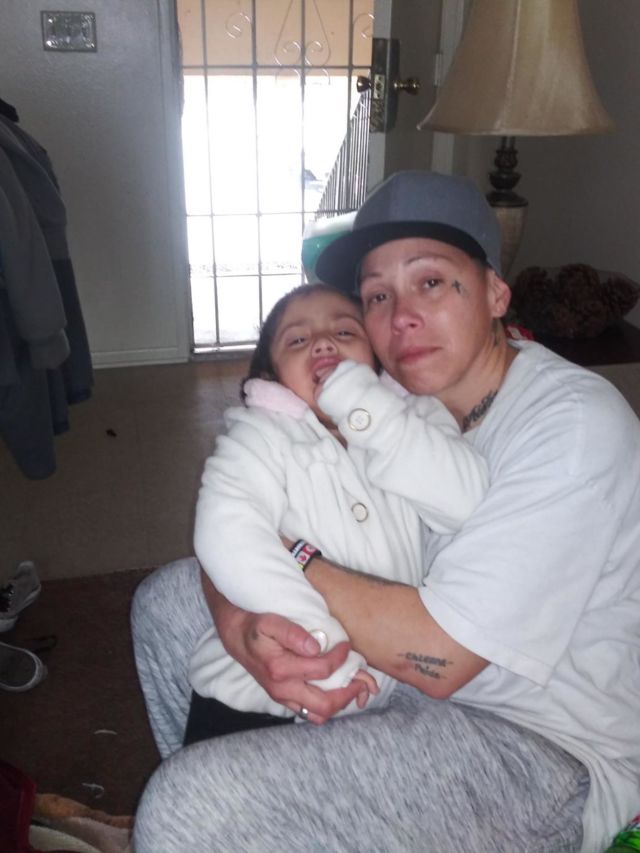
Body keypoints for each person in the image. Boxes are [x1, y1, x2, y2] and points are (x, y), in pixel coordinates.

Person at [131, 171, 640, 853]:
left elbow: (441, 658)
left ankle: (218, 820)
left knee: (185, 807)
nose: (401, 316)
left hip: (542, 749)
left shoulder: (572, 426)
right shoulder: (397, 390)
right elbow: (245, 515)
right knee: (164, 602)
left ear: (496, 292)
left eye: (430, 281)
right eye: (377, 295)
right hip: (414, 684)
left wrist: (292, 556)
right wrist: (240, 623)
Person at [188, 282, 489, 727]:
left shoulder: (414, 419)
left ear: (378, 355)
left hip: (377, 693)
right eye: (297, 340)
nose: (323, 343)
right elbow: (227, 531)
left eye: (345, 333)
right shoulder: (258, 436)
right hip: (255, 692)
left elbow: (465, 503)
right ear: (271, 376)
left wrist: (364, 403)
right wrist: (318, 643)